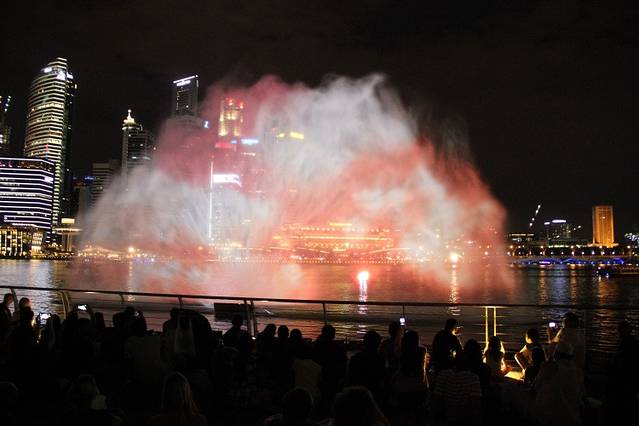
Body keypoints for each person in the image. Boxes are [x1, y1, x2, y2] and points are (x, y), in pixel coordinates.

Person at [532, 341, 583, 426]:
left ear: (556, 354)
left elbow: (535, 388)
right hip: (571, 418)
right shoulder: (578, 372)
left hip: (548, 417)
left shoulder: (547, 367)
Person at [431, 351, 482, 426]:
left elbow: (437, 398)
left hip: (446, 417)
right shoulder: (473, 378)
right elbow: (476, 403)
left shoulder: (443, 375)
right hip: (465, 419)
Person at [347, 330, 385, 398]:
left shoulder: (356, 359)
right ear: (378, 344)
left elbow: (350, 378)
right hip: (375, 393)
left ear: (364, 343)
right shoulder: (380, 360)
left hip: (357, 393)